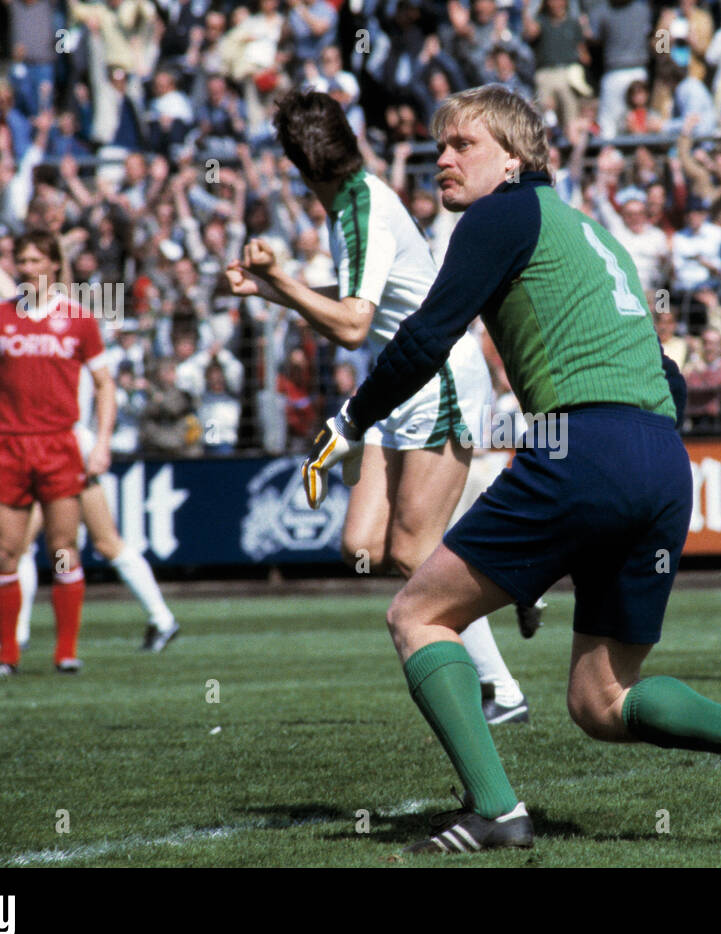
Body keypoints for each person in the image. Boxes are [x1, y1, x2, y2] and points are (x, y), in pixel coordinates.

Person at [300, 85, 721, 853]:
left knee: (417, 614)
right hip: (661, 461)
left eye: (462, 145)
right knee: (601, 700)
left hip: (586, 449)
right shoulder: (590, 232)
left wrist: (349, 421)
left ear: (513, 157)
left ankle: (497, 811)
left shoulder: (500, 213)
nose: (441, 157)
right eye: (437, 145)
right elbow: (668, 376)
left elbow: (426, 336)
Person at [226, 89, 528, 724]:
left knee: (417, 556)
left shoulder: (360, 208)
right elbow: (357, 298)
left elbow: (354, 325)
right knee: (361, 544)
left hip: (436, 373)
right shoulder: (352, 203)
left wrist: (279, 279)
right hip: (398, 383)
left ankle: (501, 688)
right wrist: (269, 288)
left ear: (297, 163)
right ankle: (511, 576)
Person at [0, 230, 115, 676]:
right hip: (8, 445)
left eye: (33, 260)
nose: (25, 268)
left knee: (64, 548)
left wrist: (101, 442)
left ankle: (65, 651)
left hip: (59, 445)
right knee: (6, 552)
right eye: (20, 260)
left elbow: (106, 384)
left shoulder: (80, 319)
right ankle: (7, 653)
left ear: (52, 264)